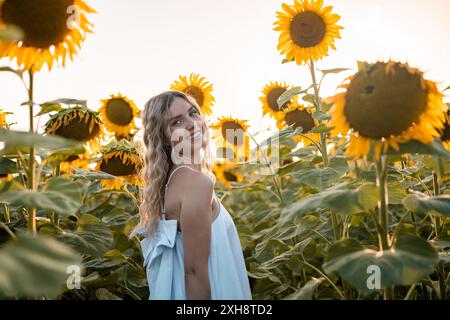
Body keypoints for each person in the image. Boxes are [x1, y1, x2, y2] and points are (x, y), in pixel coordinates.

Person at [132, 91, 252, 300]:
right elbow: (194, 274)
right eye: (177, 121)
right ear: (165, 139)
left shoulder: (172, 180)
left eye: (193, 113)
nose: (191, 123)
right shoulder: (196, 184)